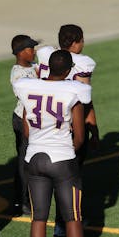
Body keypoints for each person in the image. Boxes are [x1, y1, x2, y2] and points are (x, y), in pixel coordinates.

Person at [14, 49, 106, 237]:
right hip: (62, 159)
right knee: (73, 217)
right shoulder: (73, 91)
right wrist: (69, 151)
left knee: (38, 217)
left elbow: (25, 129)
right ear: (68, 70)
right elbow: (79, 135)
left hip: (34, 157)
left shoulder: (30, 87)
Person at [37, 24, 99, 154]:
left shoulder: (45, 53)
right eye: (82, 40)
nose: (83, 44)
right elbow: (85, 101)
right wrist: (94, 132)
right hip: (66, 122)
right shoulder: (82, 63)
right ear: (74, 43)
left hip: (41, 119)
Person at [9, 34, 39, 216]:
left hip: (34, 120)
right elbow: (29, 96)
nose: (34, 51)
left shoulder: (34, 67)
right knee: (24, 161)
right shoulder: (18, 74)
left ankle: (24, 197)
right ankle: (22, 201)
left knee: (28, 159)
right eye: (30, 49)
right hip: (23, 120)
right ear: (20, 53)